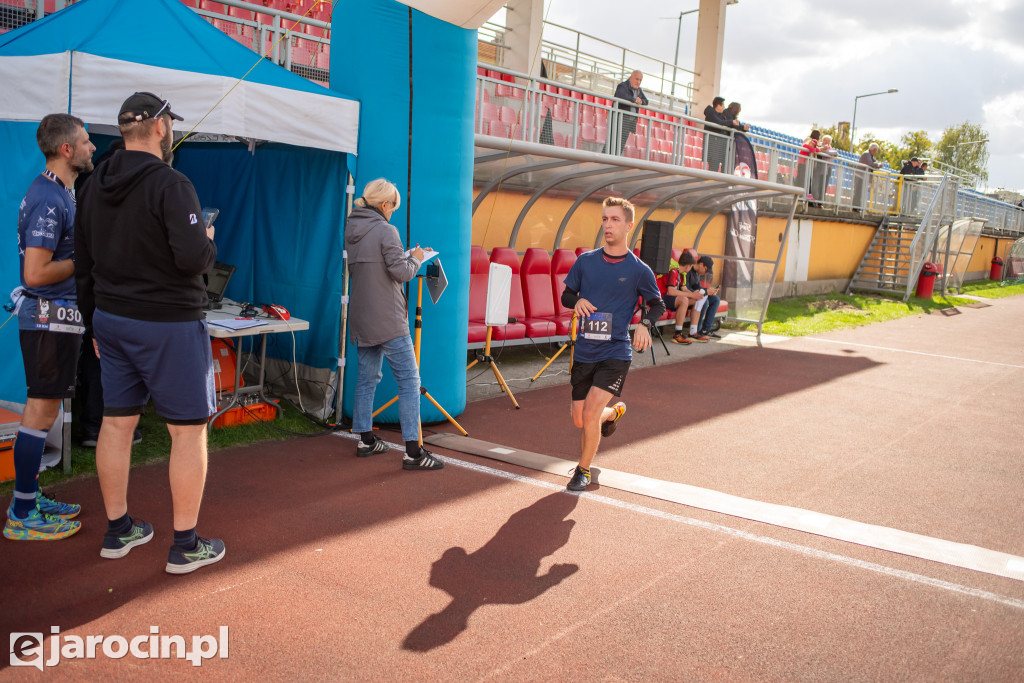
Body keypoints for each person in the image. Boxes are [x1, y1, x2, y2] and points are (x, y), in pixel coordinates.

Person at [75, 91, 224, 574]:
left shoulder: (93, 183)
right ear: (160, 128)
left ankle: (119, 531)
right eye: (170, 124)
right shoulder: (172, 183)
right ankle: (185, 544)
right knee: (187, 431)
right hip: (168, 324)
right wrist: (205, 240)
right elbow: (191, 260)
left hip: (112, 321)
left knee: (117, 425)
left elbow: (84, 262)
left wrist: (92, 321)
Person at [5, 114, 95, 541]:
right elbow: (35, 274)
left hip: (58, 319)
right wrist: (84, 263)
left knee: (45, 411)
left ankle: (30, 495)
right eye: (86, 141)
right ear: (66, 149)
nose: (92, 147)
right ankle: (22, 512)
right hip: (48, 317)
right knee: (40, 410)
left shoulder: (60, 192)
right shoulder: (49, 198)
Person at [560, 197, 664, 492]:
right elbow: (567, 296)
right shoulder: (585, 261)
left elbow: (657, 305)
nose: (608, 225)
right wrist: (577, 300)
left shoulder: (638, 269)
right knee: (581, 420)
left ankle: (583, 470)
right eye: (605, 219)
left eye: (615, 219)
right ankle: (613, 412)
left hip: (615, 352)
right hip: (584, 351)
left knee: (590, 413)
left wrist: (644, 324)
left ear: (629, 226)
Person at [345, 178, 443, 472]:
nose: (393, 212)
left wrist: (404, 257)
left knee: (366, 378)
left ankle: (365, 438)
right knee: (410, 382)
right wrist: (416, 258)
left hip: (362, 314)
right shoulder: (387, 230)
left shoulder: (351, 229)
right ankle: (413, 452)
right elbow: (401, 273)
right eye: (393, 207)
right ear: (385, 204)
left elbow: (378, 264)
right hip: (388, 317)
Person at [72, 138, 142, 449]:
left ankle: (92, 425)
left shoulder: (90, 183)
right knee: (118, 361)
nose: (89, 146)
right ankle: (111, 425)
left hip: (96, 295)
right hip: (121, 295)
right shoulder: (138, 184)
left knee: (94, 355)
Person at [664, 251, 702, 344]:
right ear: (688, 266)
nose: (691, 268)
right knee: (684, 299)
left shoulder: (682, 274)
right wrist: (690, 295)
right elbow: (671, 291)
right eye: (691, 266)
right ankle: (677, 334)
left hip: (672, 299)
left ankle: (693, 332)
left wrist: (694, 295)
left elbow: (684, 289)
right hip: (662, 297)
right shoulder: (673, 271)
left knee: (697, 301)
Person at [613, 70, 648, 155]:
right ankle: (604, 160)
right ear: (630, 78)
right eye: (636, 79)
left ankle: (614, 160)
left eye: (640, 80)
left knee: (621, 144)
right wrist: (634, 100)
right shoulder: (622, 86)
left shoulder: (638, 90)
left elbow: (646, 101)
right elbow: (621, 95)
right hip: (619, 120)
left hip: (628, 122)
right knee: (613, 142)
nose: (638, 82)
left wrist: (640, 101)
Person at [694, 256, 721, 338]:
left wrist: (709, 291)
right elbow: (691, 289)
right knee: (704, 301)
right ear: (701, 264)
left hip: (699, 293)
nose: (706, 272)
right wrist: (706, 292)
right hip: (692, 295)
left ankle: (706, 329)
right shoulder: (690, 271)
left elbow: (699, 288)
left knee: (715, 299)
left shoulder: (698, 273)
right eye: (706, 269)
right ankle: (697, 331)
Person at [703, 96, 731, 173]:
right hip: (713, 148)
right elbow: (719, 122)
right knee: (713, 169)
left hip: (719, 148)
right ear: (718, 105)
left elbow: (727, 123)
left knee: (721, 168)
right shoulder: (711, 114)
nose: (724, 107)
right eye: (723, 105)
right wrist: (731, 122)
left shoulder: (721, 116)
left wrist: (742, 127)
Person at [853, 142, 881, 212]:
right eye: (876, 150)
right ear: (873, 149)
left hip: (863, 177)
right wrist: (877, 164)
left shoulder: (871, 156)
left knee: (861, 192)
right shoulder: (866, 154)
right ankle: (855, 207)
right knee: (858, 192)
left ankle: (858, 207)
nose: (876, 152)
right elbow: (870, 163)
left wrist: (877, 164)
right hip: (860, 175)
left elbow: (874, 162)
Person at [797, 129, 821, 200]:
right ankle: (800, 196)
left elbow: (817, 150)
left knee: (807, 179)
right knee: (802, 179)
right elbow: (813, 150)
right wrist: (814, 146)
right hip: (803, 163)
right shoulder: (808, 141)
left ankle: (806, 195)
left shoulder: (814, 143)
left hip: (808, 164)